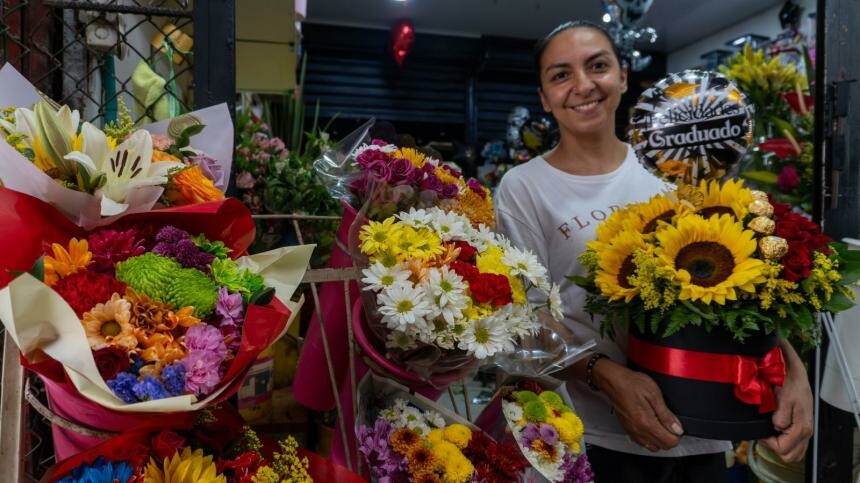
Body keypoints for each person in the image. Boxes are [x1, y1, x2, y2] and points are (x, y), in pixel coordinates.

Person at [493, 20, 813, 482]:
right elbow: (525, 315)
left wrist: (791, 371)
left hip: (703, 423)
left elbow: (743, 280)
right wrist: (606, 374)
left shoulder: (676, 168)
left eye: (598, 66)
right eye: (560, 75)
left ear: (623, 77)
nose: (583, 85)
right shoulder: (525, 187)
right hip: (593, 433)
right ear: (544, 97)